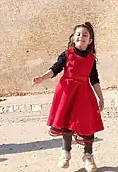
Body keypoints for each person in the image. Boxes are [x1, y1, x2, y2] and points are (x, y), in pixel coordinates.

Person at [32, 22, 105, 172]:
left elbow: (95, 80)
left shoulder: (91, 59)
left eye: (85, 35)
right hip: (66, 94)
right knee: (66, 123)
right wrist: (42, 78)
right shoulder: (66, 54)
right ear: (73, 38)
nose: (81, 37)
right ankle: (66, 152)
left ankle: (88, 155)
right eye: (78, 34)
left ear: (90, 40)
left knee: (87, 124)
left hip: (84, 95)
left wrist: (101, 98)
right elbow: (55, 69)